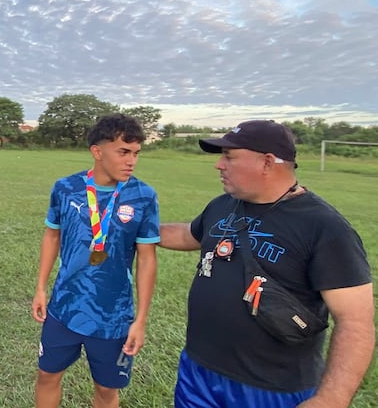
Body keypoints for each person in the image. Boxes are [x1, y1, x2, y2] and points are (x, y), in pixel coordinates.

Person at [158, 120, 375, 408]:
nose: (219, 165)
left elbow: (355, 323)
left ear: (267, 162)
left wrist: (332, 398)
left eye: (229, 157)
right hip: (199, 372)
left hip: (272, 389)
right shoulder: (223, 205)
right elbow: (189, 234)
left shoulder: (324, 228)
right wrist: (138, 229)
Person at [31, 113, 160, 408]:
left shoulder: (143, 196)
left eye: (136, 153)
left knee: (106, 390)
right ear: (97, 151)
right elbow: (52, 236)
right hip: (64, 306)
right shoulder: (65, 188)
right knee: (47, 375)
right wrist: (40, 288)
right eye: (123, 152)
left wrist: (140, 320)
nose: (131, 161)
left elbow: (146, 259)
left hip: (113, 316)